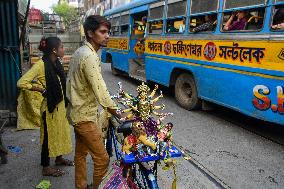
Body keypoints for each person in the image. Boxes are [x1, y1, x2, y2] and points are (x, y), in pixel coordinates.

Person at [67, 15, 121, 189]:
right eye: (103, 32)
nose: (107, 36)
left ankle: (81, 186)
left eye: (108, 32)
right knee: (102, 159)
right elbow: (100, 89)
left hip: (77, 112)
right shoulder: (89, 56)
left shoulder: (81, 51)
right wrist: (118, 112)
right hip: (84, 117)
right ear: (90, 33)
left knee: (81, 154)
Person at [17, 37, 73, 177]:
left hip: (60, 106)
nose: (63, 49)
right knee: (47, 137)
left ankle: (59, 158)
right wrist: (39, 89)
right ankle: (46, 167)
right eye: (61, 47)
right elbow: (21, 83)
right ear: (54, 50)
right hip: (49, 108)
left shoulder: (57, 62)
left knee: (59, 132)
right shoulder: (41, 65)